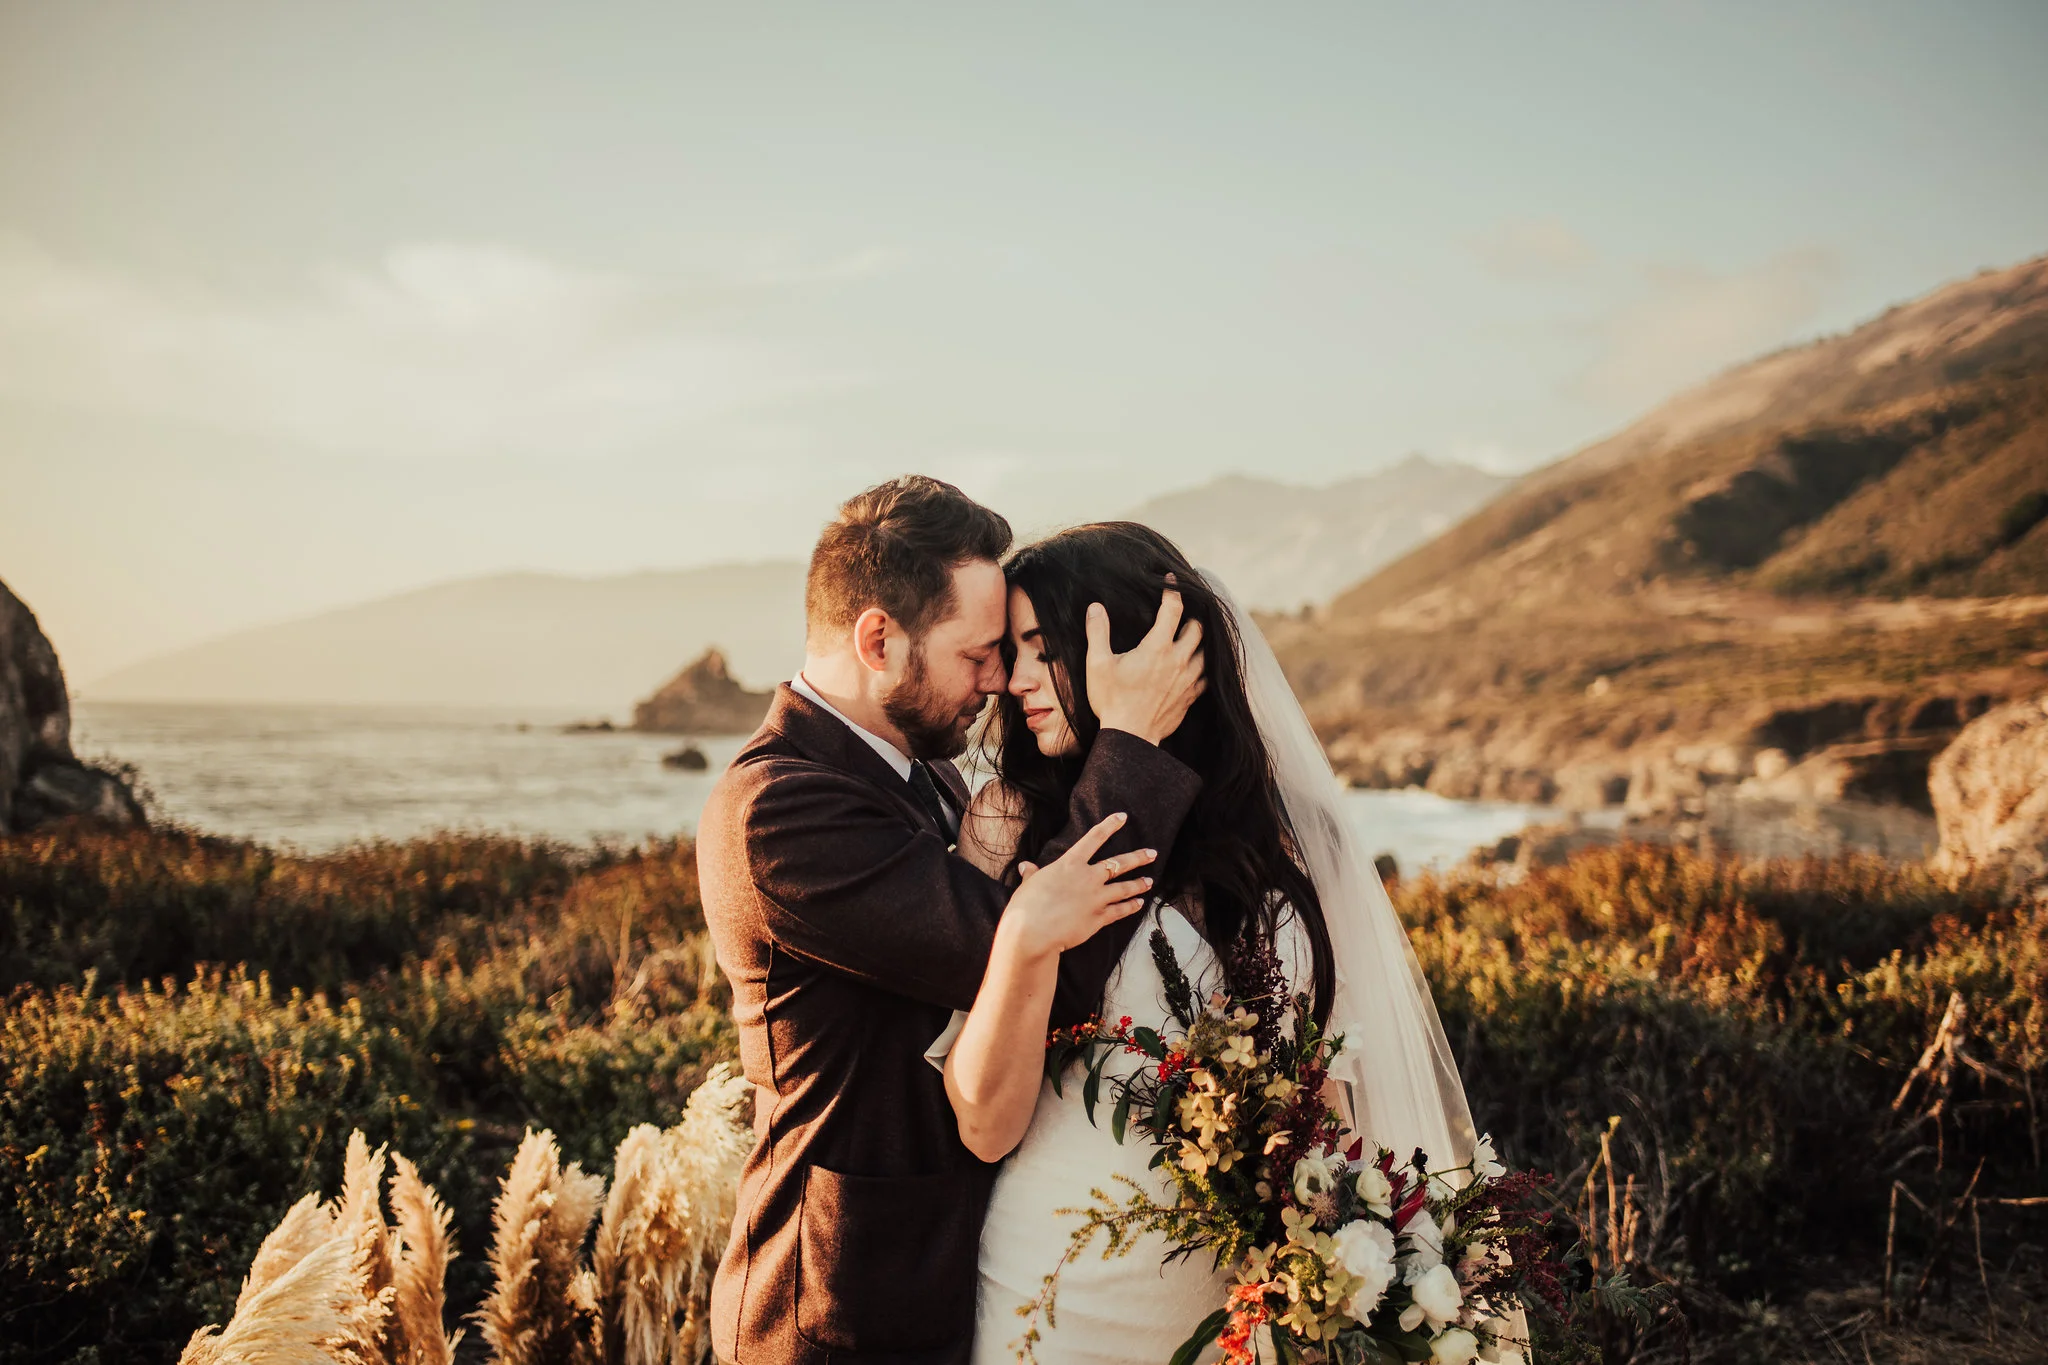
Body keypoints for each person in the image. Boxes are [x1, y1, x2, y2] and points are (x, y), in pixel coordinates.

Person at [934, 522, 1480, 1365]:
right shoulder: (1008, 823)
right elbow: (983, 1122)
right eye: (1011, 651)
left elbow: (1329, 1085)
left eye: (1042, 648)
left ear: (1138, 643)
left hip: (1234, 1300)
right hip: (1053, 1287)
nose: (1015, 679)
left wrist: (1345, 1258)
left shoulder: (1299, 841)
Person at [697, 478, 1209, 1365]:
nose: (999, 683)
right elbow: (1045, 954)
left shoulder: (929, 773)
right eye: (978, 656)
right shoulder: (778, 812)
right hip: (835, 1302)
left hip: (951, 1274)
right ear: (879, 639)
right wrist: (1130, 742)